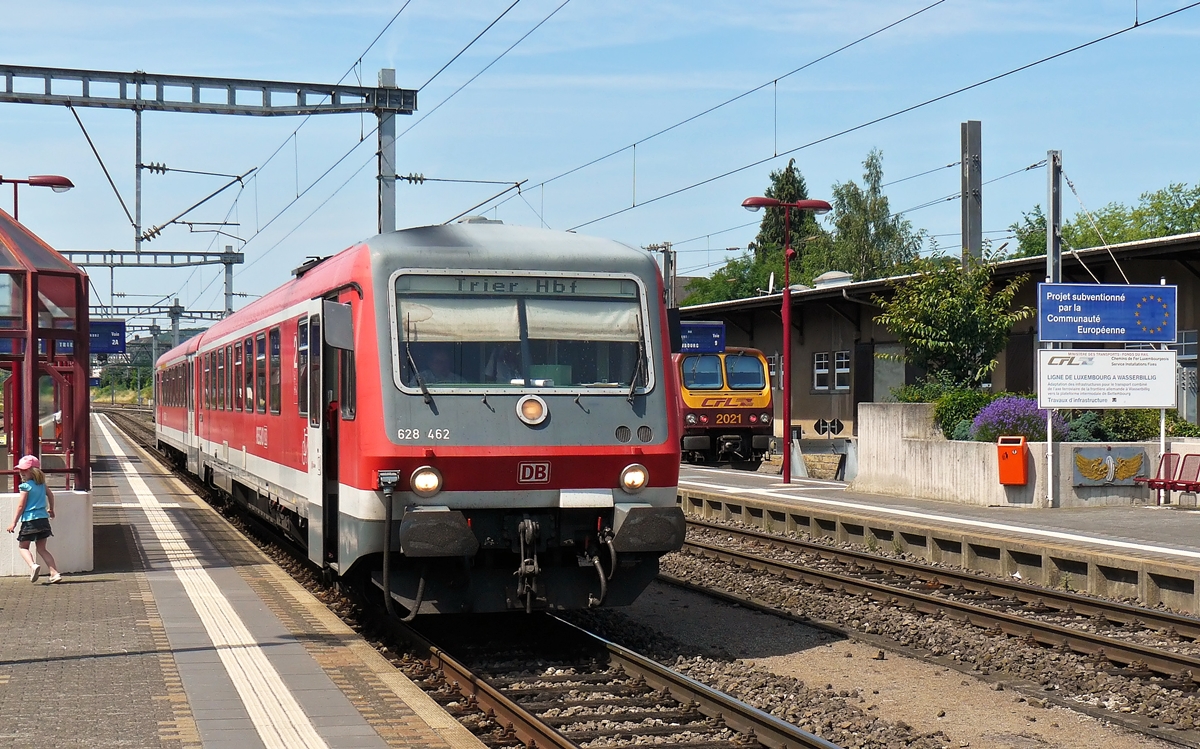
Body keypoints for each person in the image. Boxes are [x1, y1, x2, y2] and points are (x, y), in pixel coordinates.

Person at [7, 455, 61, 584]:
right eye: (20, 470)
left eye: (24, 470)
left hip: (30, 521)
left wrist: (13, 522)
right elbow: (51, 495)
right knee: (42, 549)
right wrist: (51, 509)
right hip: (43, 520)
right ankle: (54, 573)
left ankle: (33, 565)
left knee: (23, 547)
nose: (21, 472)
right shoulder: (42, 485)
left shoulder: (25, 487)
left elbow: (21, 506)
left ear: (32, 471)